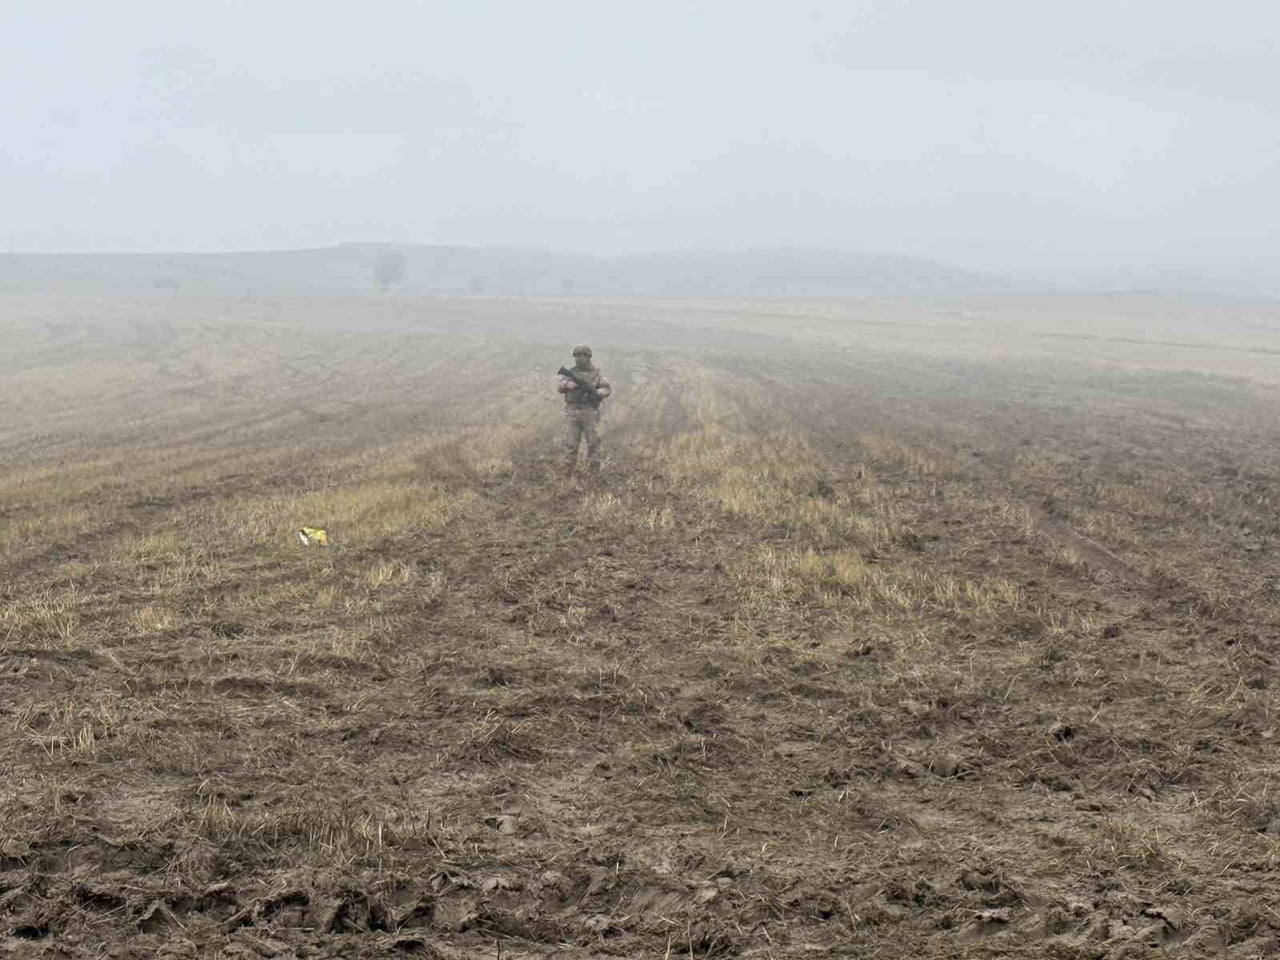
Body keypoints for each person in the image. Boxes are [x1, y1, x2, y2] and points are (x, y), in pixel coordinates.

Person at [557, 344, 612, 474]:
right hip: (572, 411)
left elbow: (607, 389)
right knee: (570, 443)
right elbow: (559, 387)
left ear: (588, 357)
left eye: (581, 356)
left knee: (593, 442)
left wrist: (597, 392)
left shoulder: (597, 374)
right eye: (576, 356)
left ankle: (593, 472)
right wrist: (566, 384)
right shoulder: (571, 373)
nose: (578, 359)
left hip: (589, 411)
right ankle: (568, 470)